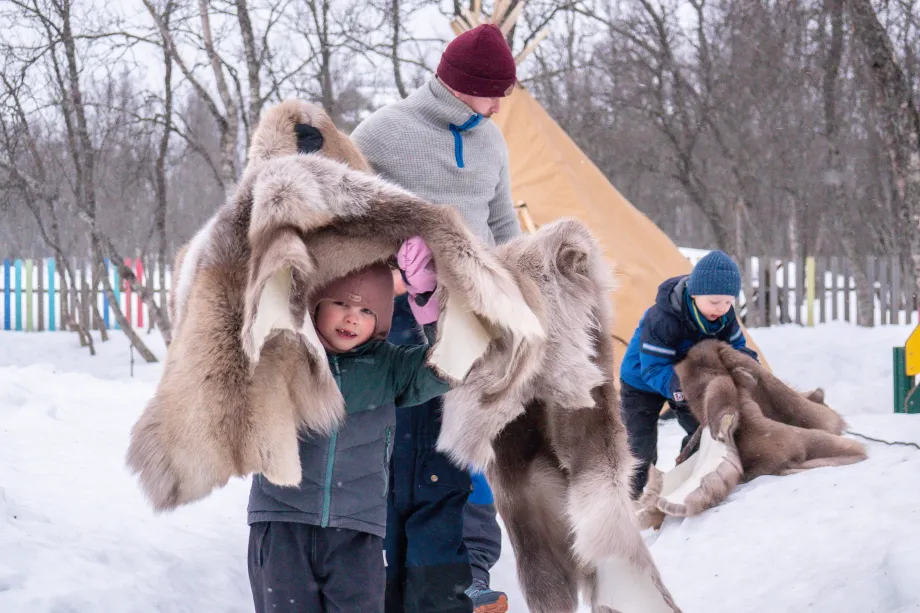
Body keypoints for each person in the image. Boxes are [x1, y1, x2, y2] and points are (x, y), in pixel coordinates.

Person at [351, 22, 518, 613]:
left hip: (466, 321)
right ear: (458, 84)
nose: (500, 103)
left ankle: (455, 582)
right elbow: (342, 215)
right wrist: (384, 282)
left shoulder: (491, 141)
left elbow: (503, 228)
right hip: (394, 315)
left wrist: (510, 296)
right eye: (492, 90)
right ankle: (379, 585)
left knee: (461, 451)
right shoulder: (384, 132)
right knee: (398, 458)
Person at [246, 248, 448, 613]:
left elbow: (451, 360)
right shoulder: (285, 353)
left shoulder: (389, 368)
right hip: (281, 525)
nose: (352, 318)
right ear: (315, 303)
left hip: (358, 533)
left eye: (367, 310)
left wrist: (428, 300)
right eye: (340, 303)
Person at [619, 250, 759, 499]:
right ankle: (630, 499)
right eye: (715, 302)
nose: (722, 308)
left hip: (689, 381)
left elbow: (737, 348)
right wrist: (680, 387)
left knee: (705, 433)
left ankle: (684, 478)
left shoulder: (725, 317)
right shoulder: (663, 318)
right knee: (640, 449)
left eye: (728, 302)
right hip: (642, 381)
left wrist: (746, 365)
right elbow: (652, 367)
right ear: (695, 294)